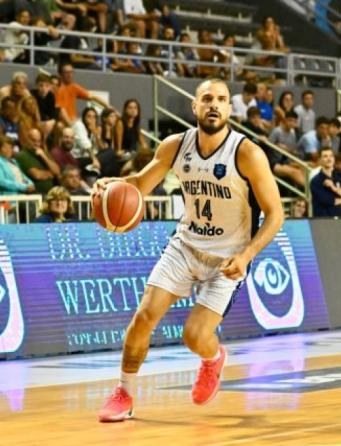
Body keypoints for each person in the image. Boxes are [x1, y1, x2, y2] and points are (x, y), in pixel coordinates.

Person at [96, 78, 284, 422]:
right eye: (207, 98)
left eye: (222, 99)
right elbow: (140, 183)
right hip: (185, 246)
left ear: (229, 109)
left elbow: (276, 214)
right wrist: (114, 185)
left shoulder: (247, 153)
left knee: (195, 337)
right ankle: (124, 392)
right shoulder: (175, 146)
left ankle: (213, 359)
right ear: (195, 106)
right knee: (144, 316)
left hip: (228, 257)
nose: (214, 105)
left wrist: (246, 256)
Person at [310, 146, 341, 217]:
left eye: (331, 156)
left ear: (334, 159)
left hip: (338, 220)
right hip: (322, 220)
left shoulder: (339, 178)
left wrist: (334, 188)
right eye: (325, 156)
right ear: (320, 160)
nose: (329, 159)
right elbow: (327, 200)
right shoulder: (316, 181)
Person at [15, 127, 60, 194]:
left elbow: (57, 171)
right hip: (35, 194)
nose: (37, 144)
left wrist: (44, 157)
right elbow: (37, 175)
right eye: (33, 140)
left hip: (50, 193)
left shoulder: (43, 153)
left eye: (39, 141)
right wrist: (51, 174)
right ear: (27, 139)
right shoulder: (22, 155)